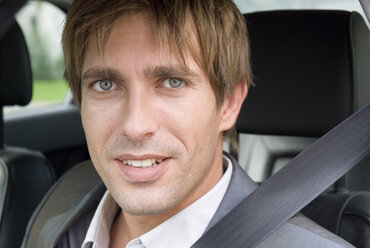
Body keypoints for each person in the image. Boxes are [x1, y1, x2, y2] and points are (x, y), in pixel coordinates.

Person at [35, 0, 353, 247]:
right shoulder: (57, 211)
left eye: (172, 82)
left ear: (228, 102)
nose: (134, 125)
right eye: (105, 85)